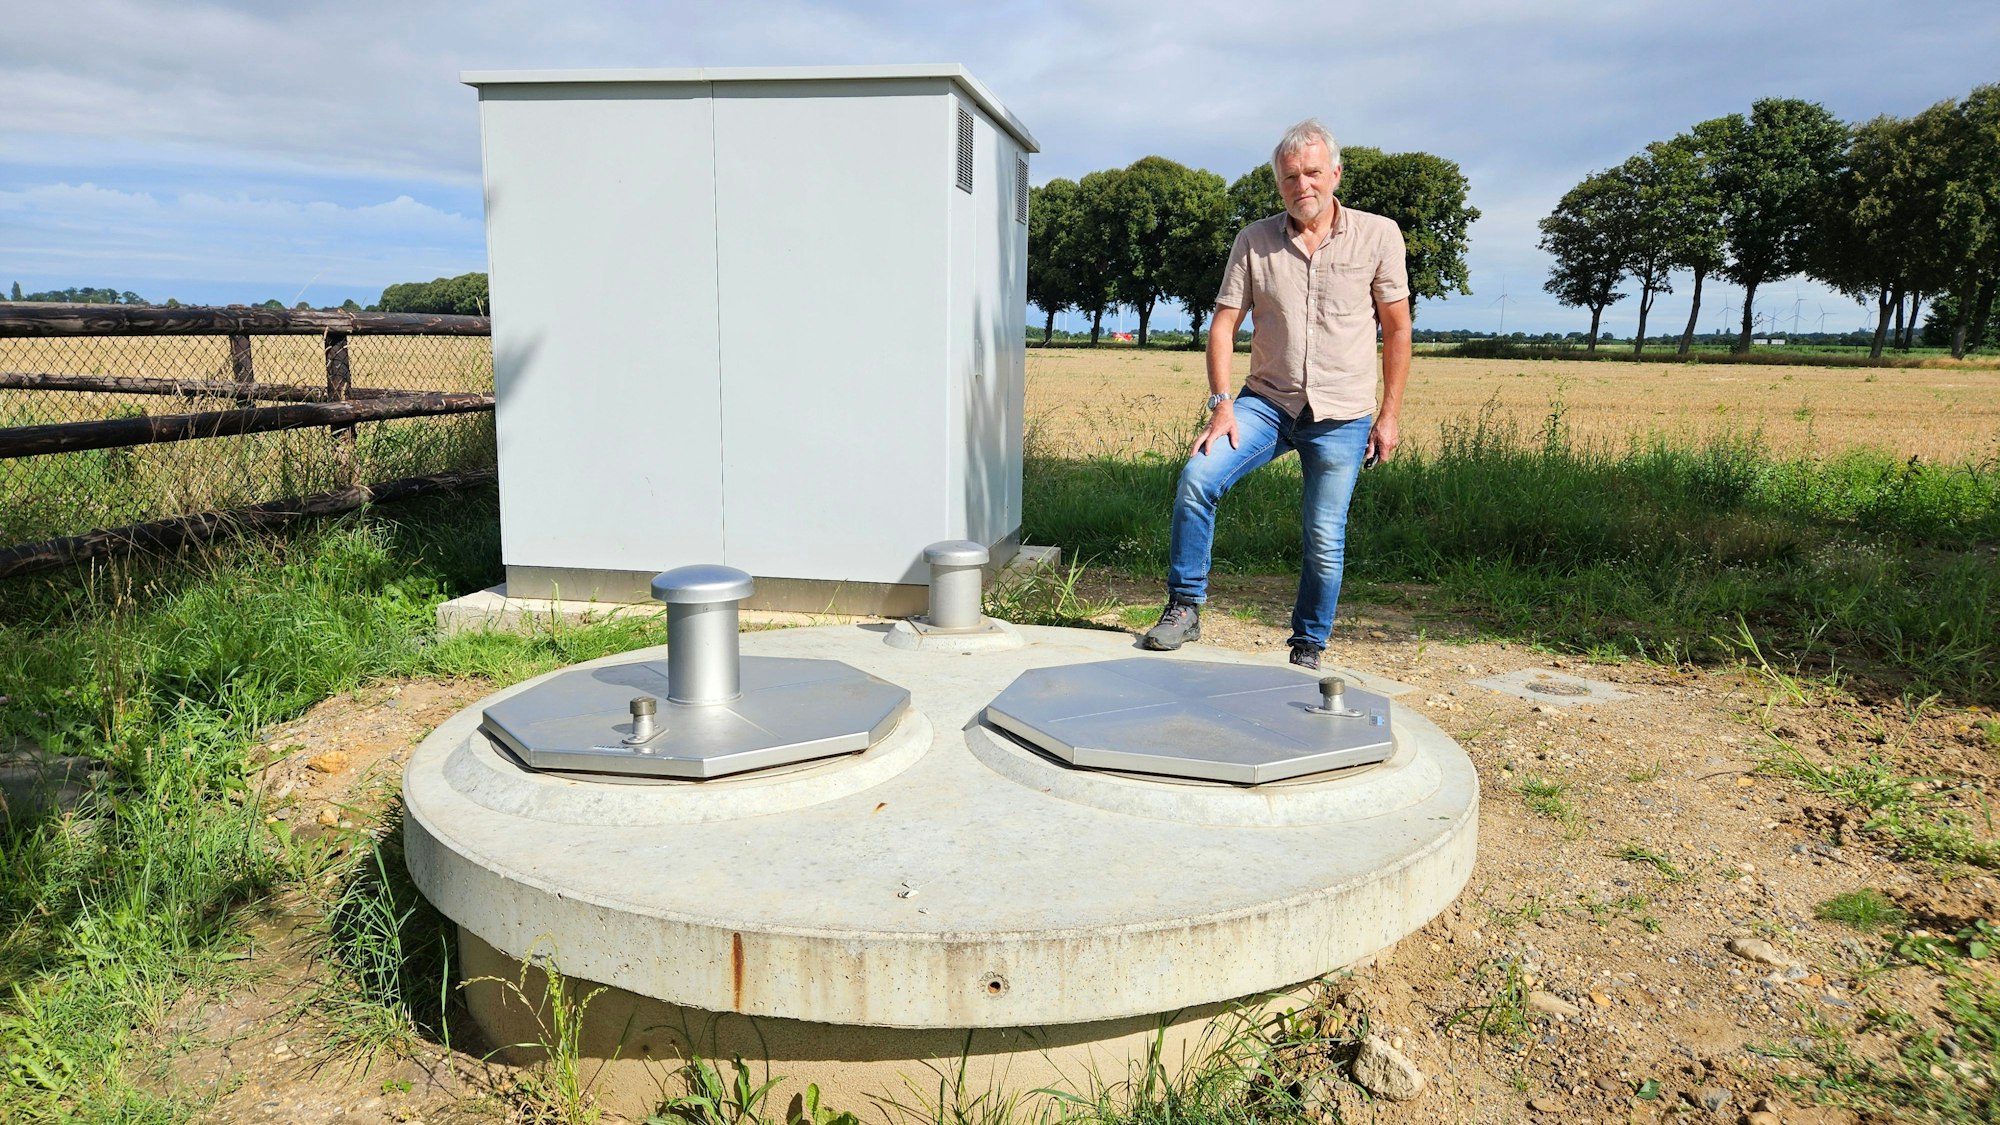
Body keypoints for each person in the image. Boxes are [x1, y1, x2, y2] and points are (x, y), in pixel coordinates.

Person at [1141, 118, 1412, 672]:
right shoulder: (1254, 240)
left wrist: (1388, 416)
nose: (1302, 185)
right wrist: (1222, 406)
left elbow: (1397, 328)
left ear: (1335, 174)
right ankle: (1185, 606)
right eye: (1290, 177)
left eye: (1312, 173)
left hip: (1342, 414)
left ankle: (1308, 645)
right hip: (1266, 403)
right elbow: (1224, 326)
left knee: (1324, 534)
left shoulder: (1379, 235)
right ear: (1278, 183)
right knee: (1197, 478)